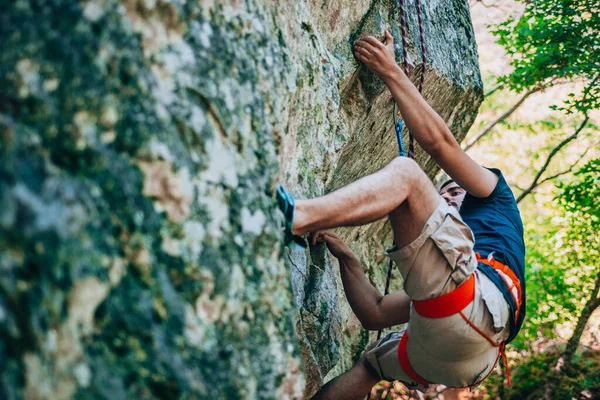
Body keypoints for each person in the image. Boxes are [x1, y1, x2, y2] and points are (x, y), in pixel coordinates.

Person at [276, 31, 526, 399]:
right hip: (464, 358)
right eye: (445, 195)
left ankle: (295, 215)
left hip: (478, 311)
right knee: (369, 366)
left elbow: (441, 144)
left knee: (408, 174)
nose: (451, 198)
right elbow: (375, 314)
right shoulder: (446, 276)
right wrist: (346, 256)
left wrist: (391, 72)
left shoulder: (496, 197)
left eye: (456, 192)